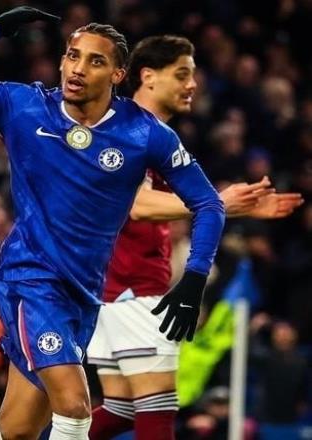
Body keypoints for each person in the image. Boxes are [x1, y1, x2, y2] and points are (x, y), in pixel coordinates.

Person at [0, 7, 226, 440]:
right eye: (72, 55)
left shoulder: (145, 134)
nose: (78, 68)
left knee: (16, 429)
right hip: (30, 279)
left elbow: (209, 204)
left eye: (95, 61)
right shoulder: (23, 105)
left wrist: (194, 279)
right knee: (75, 406)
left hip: (83, 293)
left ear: (118, 75)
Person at [86, 35, 303, 440]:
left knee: (121, 409)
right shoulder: (132, 132)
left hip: (115, 287)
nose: (192, 85)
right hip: (134, 288)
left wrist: (231, 207)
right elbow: (136, 205)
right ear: (148, 76)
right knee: (157, 410)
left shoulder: (145, 132)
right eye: (182, 74)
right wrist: (218, 203)